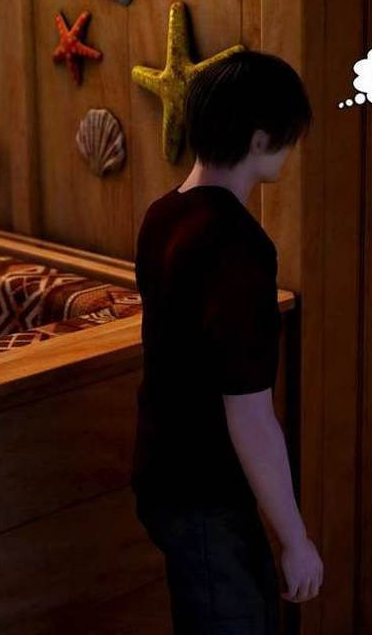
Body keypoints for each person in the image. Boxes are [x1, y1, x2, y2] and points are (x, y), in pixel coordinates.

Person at [131, 50, 323, 634]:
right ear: (261, 138)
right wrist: (296, 540)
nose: (291, 149)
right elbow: (250, 415)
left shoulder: (163, 215)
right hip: (206, 490)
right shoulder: (237, 246)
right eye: (289, 137)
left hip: (161, 472)